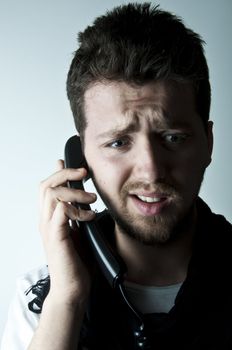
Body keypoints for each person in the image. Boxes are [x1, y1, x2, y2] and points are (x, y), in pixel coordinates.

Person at [1, 2, 232, 349]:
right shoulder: (44, 299)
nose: (151, 169)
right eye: (118, 142)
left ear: (207, 143)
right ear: (82, 158)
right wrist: (67, 301)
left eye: (173, 137)